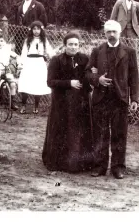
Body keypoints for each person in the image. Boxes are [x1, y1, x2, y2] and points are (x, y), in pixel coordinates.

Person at [85, 20, 139, 179]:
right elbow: (87, 73)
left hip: (120, 99)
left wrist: (134, 98)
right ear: (104, 33)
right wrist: (97, 79)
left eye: (114, 32)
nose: (111, 35)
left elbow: (134, 77)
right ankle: (99, 166)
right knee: (100, 134)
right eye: (108, 32)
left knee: (119, 134)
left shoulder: (129, 52)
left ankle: (118, 167)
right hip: (101, 99)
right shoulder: (97, 51)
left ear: (119, 32)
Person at [42, 32, 96, 173]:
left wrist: (90, 78)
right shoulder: (56, 60)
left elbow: (89, 76)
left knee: (78, 132)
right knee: (62, 130)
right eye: (70, 44)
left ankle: (79, 163)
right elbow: (50, 82)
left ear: (79, 45)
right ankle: (60, 162)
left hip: (80, 102)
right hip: (62, 103)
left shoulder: (85, 59)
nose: (73, 47)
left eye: (76, 44)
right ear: (65, 45)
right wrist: (69, 83)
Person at [18, 21, 55, 114]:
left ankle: (36, 106)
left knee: (38, 84)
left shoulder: (44, 40)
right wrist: (21, 64)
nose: (36, 31)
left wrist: (54, 56)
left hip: (39, 63)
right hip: (29, 62)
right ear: (31, 30)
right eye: (34, 29)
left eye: (38, 29)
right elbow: (24, 53)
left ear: (41, 30)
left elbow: (50, 51)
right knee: (26, 83)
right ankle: (23, 105)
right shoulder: (28, 40)